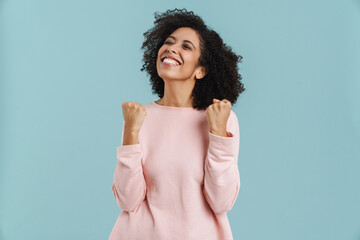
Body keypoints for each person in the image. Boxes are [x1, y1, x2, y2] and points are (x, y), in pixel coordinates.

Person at [109, 8, 246, 240]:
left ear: (201, 70)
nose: (171, 48)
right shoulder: (139, 117)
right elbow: (128, 201)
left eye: (186, 46)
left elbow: (221, 202)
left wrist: (219, 133)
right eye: (169, 42)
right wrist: (131, 132)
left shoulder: (220, 118)